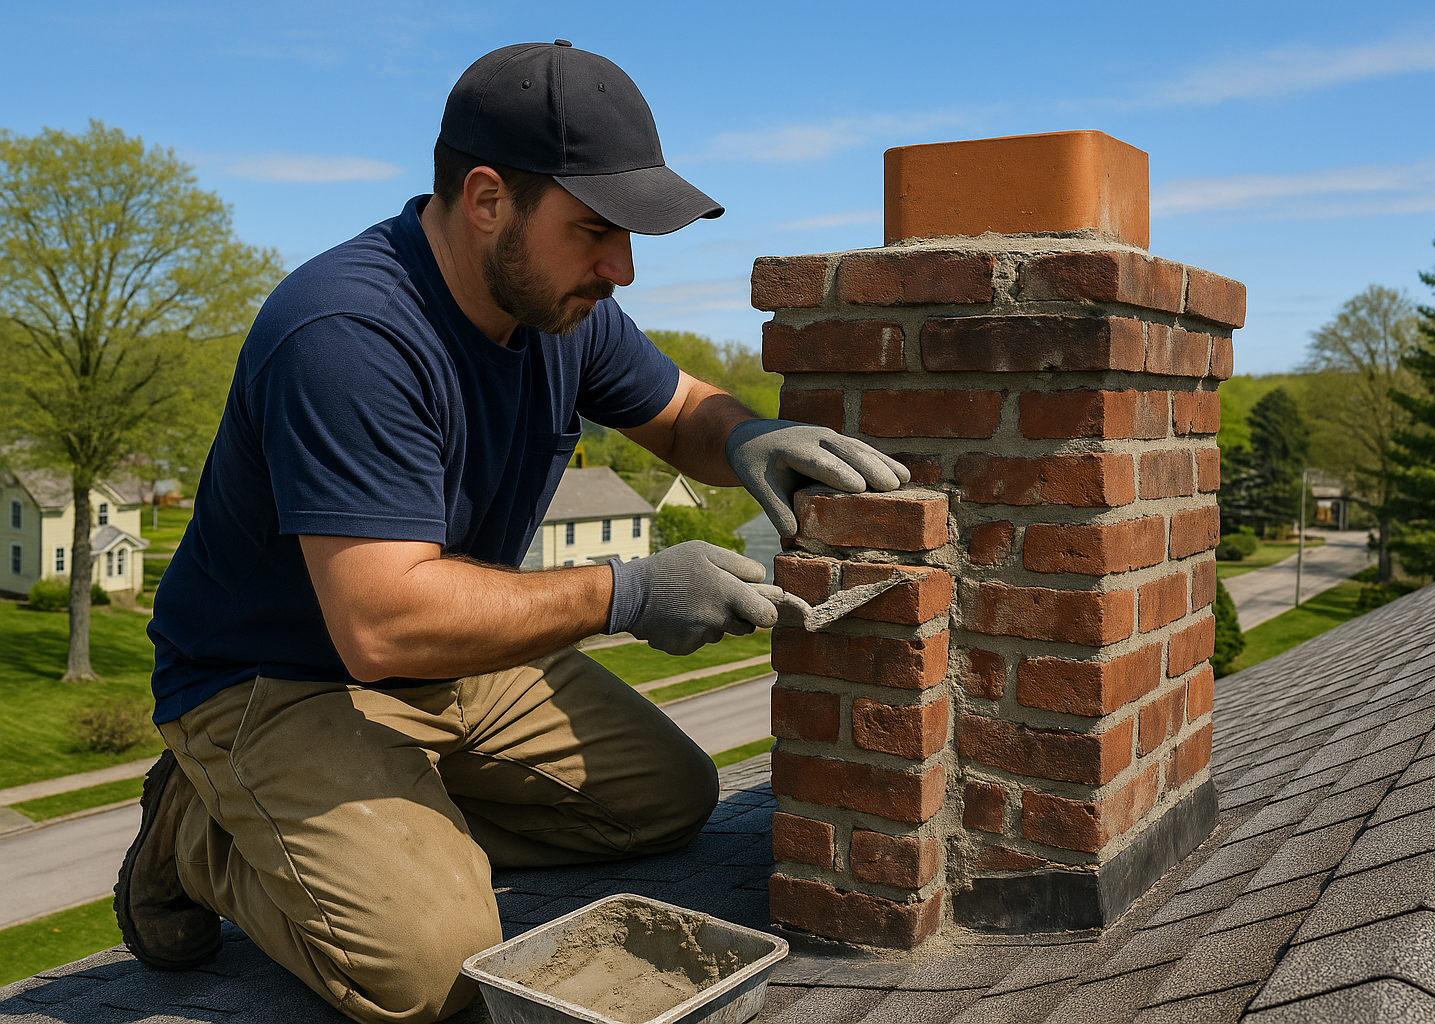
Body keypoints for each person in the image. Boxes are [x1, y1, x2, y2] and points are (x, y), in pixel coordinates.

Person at [113, 40, 908, 1024]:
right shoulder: (347, 336)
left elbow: (678, 408)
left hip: (449, 668)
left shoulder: (560, 312)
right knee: (435, 970)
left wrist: (752, 435)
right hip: (278, 679)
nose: (620, 267)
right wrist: (632, 592)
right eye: (595, 230)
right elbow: (382, 623)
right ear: (488, 199)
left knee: (668, 798)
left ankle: (373, 814)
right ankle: (202, 829)